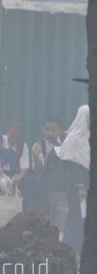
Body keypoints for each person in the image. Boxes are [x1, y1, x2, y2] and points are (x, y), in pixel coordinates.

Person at [57, 105, 89, 255]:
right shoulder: (73, 138)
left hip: (86, 185)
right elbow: (72, 166)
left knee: (77, 217)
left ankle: (72, 247)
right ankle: (71, 248)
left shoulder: (87, 136)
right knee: (76, 217)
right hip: (76, 187)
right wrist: (80, 186)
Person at [23, 117, 63, 212]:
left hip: (61, 178)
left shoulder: (65, 144)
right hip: (45, 177)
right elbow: (39, 171)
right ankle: (37, 210)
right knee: (36, 180)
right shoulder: (38, 146)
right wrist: (36, 156)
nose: (50, 133)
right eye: (47, 129)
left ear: (60, 131)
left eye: (53, 130)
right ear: (43, 130)